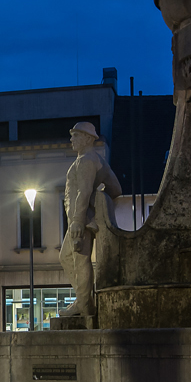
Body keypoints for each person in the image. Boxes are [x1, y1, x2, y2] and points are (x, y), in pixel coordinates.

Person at [58, 122, 123, 318]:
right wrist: (99, 200)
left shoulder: (86, 160)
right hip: (81, 218)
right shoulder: (96, 159)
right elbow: (116, 188)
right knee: (68, 257)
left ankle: (85, 307)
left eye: (75, 135)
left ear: (87, 138)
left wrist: (78, 219)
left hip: (81, 220)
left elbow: (84, 191)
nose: (71, 139)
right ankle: (83, 299)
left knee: (79, 260)